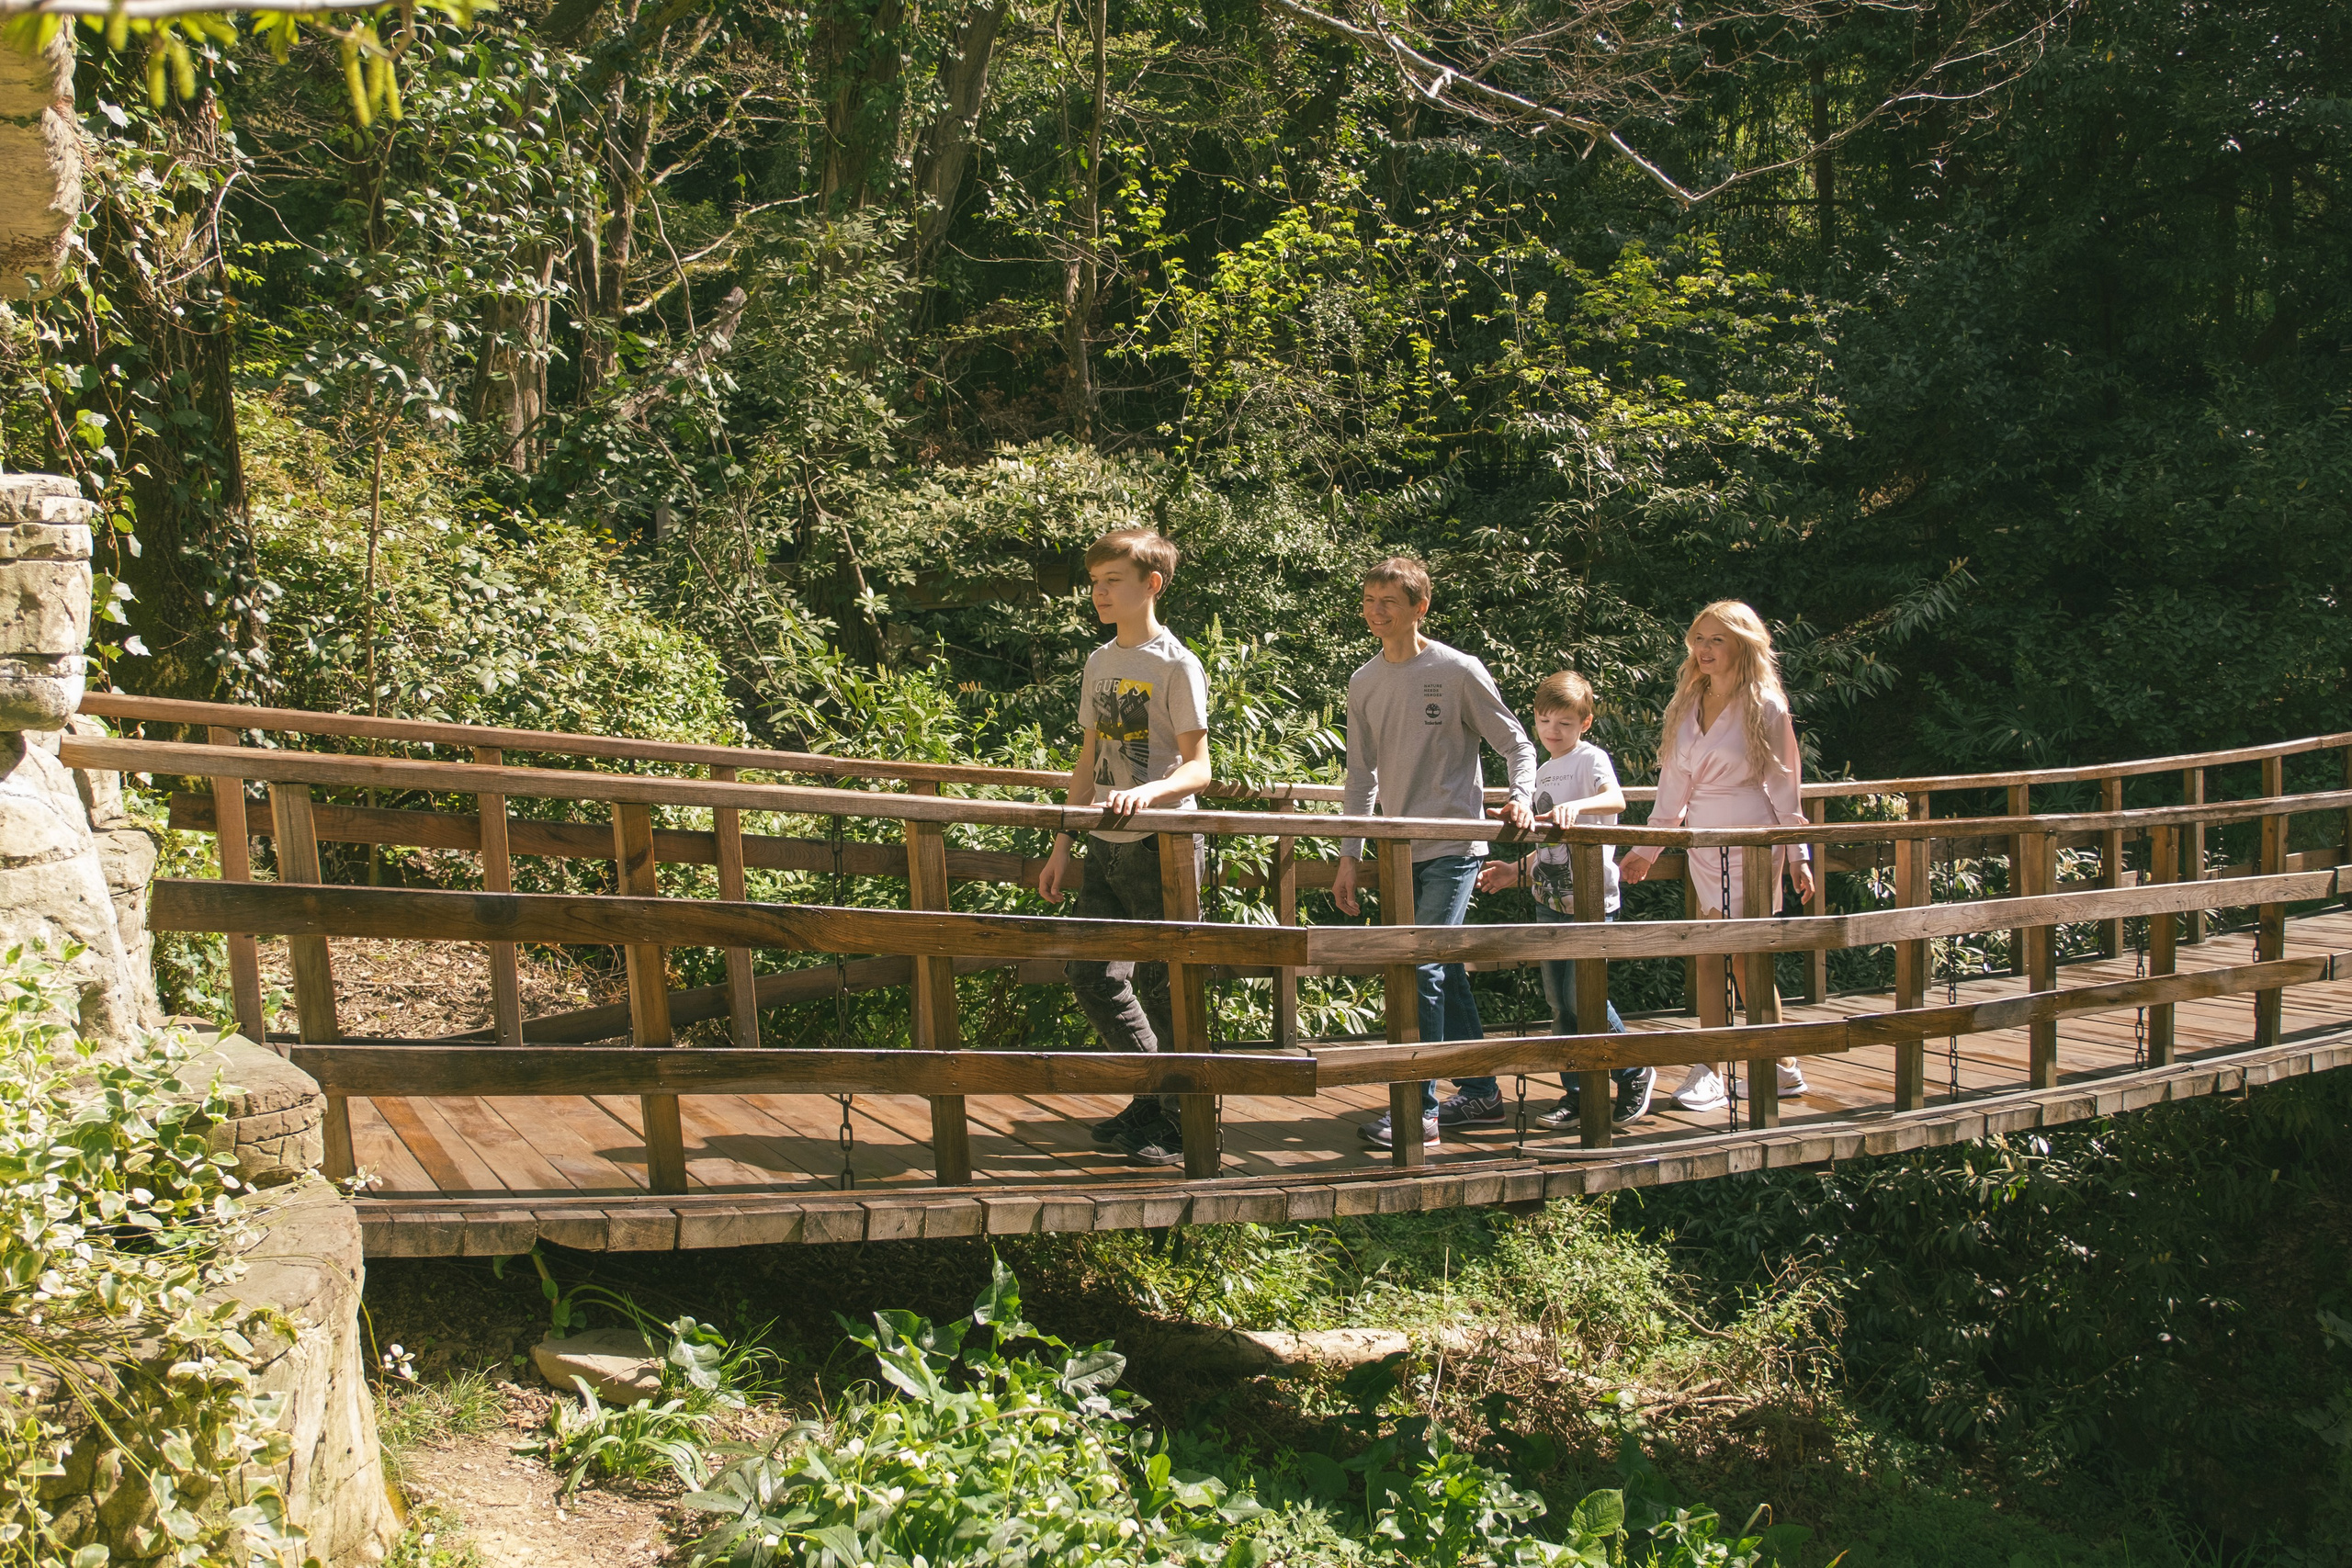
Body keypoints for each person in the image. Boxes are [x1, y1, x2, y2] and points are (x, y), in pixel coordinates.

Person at [1332, 557, 1538, 1149]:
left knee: (1419, 960)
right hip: (1398, 852)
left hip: (1454, 844)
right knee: (1441, 962)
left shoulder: (1456, 670)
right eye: (1369, 599)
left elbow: (1517, 743)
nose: (1376, 611)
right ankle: (1480, 1092)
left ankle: (1417, 1109)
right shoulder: (1364, 680)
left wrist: (1520, 800)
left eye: (1389, 601)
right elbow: (1359, 776)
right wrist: (1349, 854)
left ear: (1420, 606)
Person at [1037, 526, 1212, 1168]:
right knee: (1090, 972)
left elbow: (1200, 768)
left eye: (1113, 581)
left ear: (1151, 585)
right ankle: (1155, 1096)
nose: (1099, 592)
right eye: (1095, 581)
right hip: (1104, 845)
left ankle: (1173, 1120)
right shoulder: (1100, 660)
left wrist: (1151, 794)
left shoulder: (1175, 664)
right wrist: (1063, 840)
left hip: (1162, 846)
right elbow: (1088, 760)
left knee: (1169, 987)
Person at [1619, 601, 1815, 1112]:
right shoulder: (1686, 703)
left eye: (1716, 640)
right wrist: (1645, 849)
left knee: (1748, 960)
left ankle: (1772, 1062)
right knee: (1708, 954)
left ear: (1742, 645)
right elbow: (1672, 790)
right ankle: (1719, 1066)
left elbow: (1786, 787)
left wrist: (1799, 855)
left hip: (1752, 838)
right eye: (1698, 639)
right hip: (1703, 842)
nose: (1703, 650)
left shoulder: (1765, 706)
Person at [1473, 670, 1651, 1129]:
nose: (1553, 731)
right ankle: (1574, 1094)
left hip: (1592, 901)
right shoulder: (1543, 771)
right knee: (1558, 1001)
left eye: (1565, 723)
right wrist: (1517, 871)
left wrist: (1580, 807)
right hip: (1548, 898)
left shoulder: (1590, 759)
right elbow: (1550, 847)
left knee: (1583, 993)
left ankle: (1634, 1069)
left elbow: (1616, 801)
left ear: (1585, 723)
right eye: (1545, 720)